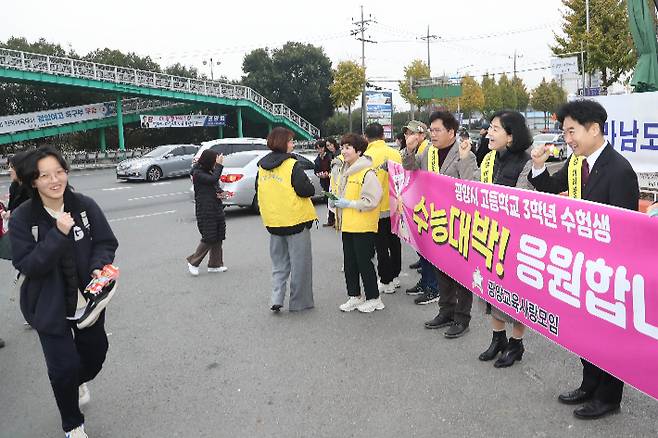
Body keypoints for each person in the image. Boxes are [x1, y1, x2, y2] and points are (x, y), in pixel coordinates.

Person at [528, 99, 639, 420]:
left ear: (594, 129)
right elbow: (551, 187)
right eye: (565, 132)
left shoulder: (619, 170)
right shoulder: (578, 164)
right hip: (580, 263)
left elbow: (624, 230)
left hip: (607, 270)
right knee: (586, 332)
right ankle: (589, 384)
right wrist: (538, 167)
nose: (568, 139)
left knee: (608, 336)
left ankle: (608, 397)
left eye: (571, 131)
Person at [9, 146, 118, 438]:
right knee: (62, 369)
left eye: (59, 172)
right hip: (48, 306)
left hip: (87, 303)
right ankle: (72, 424)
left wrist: (97, 266)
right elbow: (29, 264)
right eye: (45, 175)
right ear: (34, 181)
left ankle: (75, 381)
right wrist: (58, 233)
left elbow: (106, 242)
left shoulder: (84, 206)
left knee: (95, 356)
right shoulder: (23, 218)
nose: (55, 180)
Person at [457, 111, 534, 366]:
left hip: (515, 239)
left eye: (495, 128)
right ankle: (497, 337)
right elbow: (474, 188)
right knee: (491, 290)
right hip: (490, 234)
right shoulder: (490, 158)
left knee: (514, 293)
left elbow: (523, 200)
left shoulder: (527, 162)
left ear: (511, 136)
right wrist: (467, 158)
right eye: (490, 127)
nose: (489, 132)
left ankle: (516, 343)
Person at [402, 111, 474, 338]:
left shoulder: (465, 154)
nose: (432, 134)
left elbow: (471, 183)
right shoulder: (429, 152)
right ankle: (446, 310)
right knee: (441, 268)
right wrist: (410, 149)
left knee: (461, 273)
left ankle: (462, 318)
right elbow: (411, 168)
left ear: (451, 132)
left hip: (459, 221)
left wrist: (464, 159)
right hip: (436, 220)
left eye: (437, 130)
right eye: (430, 130)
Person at [257, 127, 316, 312]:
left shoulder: (261, 166)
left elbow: (259, 191)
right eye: (291, 141)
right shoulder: (291, 165)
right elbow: (306, 190)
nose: (292, 144)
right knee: (300, 265)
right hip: (295, 220)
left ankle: (276, 297)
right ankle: (300, 302)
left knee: (279, 264)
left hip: (273, 222)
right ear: (283, 142)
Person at [333, 133, 383, 312]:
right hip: (348, 224)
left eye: (348, 147)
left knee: (364, 263)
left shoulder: (367, 172)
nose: (343, 151)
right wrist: (336, 201)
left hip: (363, 226)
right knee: (350, 263)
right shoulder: (346, 170)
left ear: (359, 151)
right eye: (342, 147)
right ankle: (354, 296)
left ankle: (374, 298)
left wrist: (351, 204)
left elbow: (372, 200)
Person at [399, 121, 440, 299]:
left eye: (412, 133)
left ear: (422, 135)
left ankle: (432, 286)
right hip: (418, 204)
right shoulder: (416, 149)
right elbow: (407, 166)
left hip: (430, 206)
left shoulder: (428, 150)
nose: (409, 136)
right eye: (407, 133)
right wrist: (408, 150)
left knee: (429, 250)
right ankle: (426, 282)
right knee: (422, 248)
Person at [364, 123, 403, 294]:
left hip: (376, 208)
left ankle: (386, 280)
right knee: (395, 243)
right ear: (382, 136)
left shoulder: (365, 157)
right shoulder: (395, 153)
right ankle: (395, 276)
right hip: (396, 206)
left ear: (366, 137)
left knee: (381, 246)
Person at [186, 149, 227, 276]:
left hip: (216, 207)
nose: (216, 163)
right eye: (215, 161)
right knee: (209, 237)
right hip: (205, 209)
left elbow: (214, 184)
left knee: (218, 236)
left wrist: (221, 193)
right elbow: (212, 179)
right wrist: (219, 166)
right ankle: (193, 262)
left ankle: (215, 264)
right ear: (209, 160)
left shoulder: (209, 171)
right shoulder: (197, 173)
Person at [314, 138, 335, 227]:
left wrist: (329, 173)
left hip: (332, 181)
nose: (320, 150)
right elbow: (316, 170)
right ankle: (331, 220)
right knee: (328, 200)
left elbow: (334, 168)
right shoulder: (317, 159)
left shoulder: (330, 156)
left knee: (334, 200)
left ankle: (336, 220)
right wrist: (319, 174)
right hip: (324, 182)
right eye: (318, 148)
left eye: (321, 148)